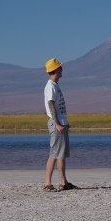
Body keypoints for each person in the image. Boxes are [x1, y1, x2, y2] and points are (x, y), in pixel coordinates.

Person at [43, 58, 79, 192]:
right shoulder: (50, 86)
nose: (62, 70)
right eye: (60, 68)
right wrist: (57, 124)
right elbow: (51, 105)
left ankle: (63, 182)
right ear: (56, 70)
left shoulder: (55, 85)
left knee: (61, 154)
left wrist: (64, 123)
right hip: (57, 123)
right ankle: (47, 183)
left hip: (62, 122)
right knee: (54, 154)